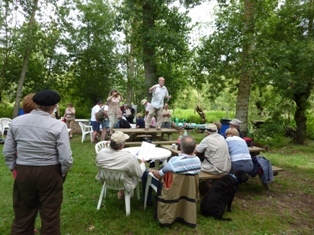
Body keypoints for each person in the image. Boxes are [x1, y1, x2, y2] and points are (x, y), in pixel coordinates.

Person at [3, 89, 73, 235]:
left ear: (35, 104)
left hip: (23, 170)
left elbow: (8, 151)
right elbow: (65, 158)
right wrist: (62, 172)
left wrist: (14, 168)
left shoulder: (16, 122)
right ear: (54, 106)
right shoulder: (58, 126)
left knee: (23, 213)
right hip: (50, 172)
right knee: (50, 215)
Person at [143, 136, 201, 206]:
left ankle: (148, 201)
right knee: (163, 167)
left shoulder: (174, 161)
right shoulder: (198, 161)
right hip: (188, 190)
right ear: (194, 148)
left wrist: (151, 171)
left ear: (181, 147)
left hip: (171, 190)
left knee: (146, 173)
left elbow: (158, 175)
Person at [95, 131, 145, 199]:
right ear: (122, 145)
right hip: (123, 182)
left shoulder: (101, 153)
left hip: (107, 179)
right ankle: (123, 191)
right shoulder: (129, 157)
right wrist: (142, 163)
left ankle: (121, 192)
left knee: (124, 171)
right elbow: (139, 173)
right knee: (132, 172)